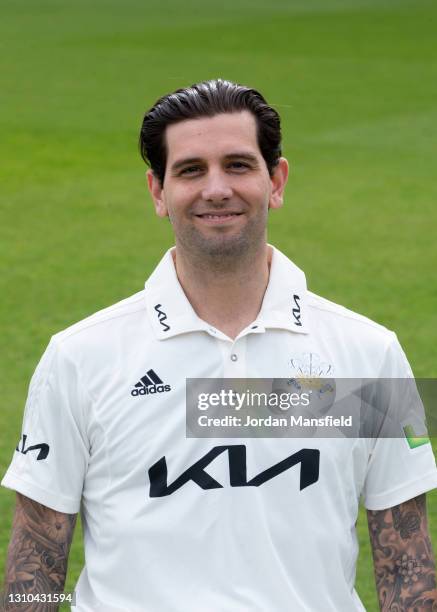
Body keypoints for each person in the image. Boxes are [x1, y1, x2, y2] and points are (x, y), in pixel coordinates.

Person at [2, 79, 437, 612]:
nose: (216, 189)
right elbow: (36, 569)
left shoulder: (370, 354)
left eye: (237, 165)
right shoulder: (79, 358)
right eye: (190, 170)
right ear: (158, 193)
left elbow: (407, 573)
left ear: (275, 181)